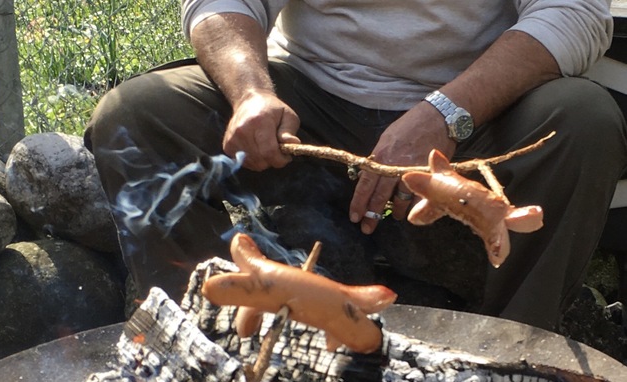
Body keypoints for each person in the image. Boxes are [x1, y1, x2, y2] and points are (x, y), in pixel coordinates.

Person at [85, 0, 627, 331]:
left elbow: (574, 11)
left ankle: (514, 356)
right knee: (137, 114)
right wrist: (250, 93)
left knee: (584, 120)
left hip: (478, 116)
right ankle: (209, 347)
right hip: (309, 104)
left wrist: (443, 116)